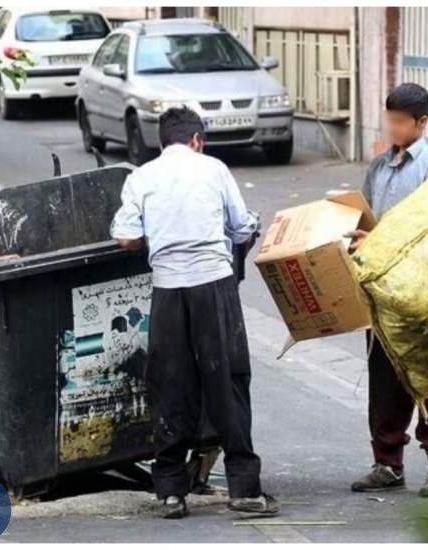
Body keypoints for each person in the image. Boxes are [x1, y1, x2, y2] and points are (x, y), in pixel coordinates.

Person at [110, 106, 279, 520]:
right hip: (214, 288)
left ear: (162, 142)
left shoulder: (141, 176)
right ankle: (245, 490)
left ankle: (169, 491)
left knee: (171, 386)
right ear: (197, 140)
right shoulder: (214, 169)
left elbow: (126, 238)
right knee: (229, 382)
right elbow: (242, 228)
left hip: (168, 292)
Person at [347, 83, 428, 497]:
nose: (392, 128)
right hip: (380, 290)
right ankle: (387, 462)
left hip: (423, 291)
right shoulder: (379, 168)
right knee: (384, 380)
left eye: (400, 121)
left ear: (422, 122)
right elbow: (370, 219)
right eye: (389, 119)